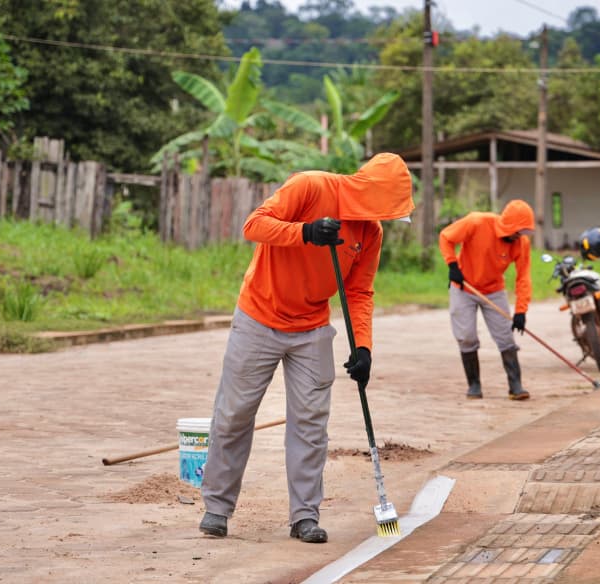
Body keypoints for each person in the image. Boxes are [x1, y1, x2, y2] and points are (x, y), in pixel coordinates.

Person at [198, 153, 414, 544]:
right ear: (371, 193)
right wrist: (306, 232)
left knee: (311, 426)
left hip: (312, 327)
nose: (383, 217)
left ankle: (304, 516)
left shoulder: (371, 233)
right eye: (385, 207)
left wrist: (363, 347)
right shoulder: (310, 186)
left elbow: (359, 291)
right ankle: (217, 507)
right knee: (233, 414)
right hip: (259, 316)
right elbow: (254, 225)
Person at [439, 199, 535, 400]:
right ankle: (474, 385)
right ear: (508, 225)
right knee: (466, 337)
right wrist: (452, 265)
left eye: (523, 232)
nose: (521, 236)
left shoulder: (521, 244)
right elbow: (446, 237)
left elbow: (523, 277)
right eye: (518, 231)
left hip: (494, 290)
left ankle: (515, 385)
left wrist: (521, 311)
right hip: (464, 288)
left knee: (505, 337)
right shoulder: (477, 222)